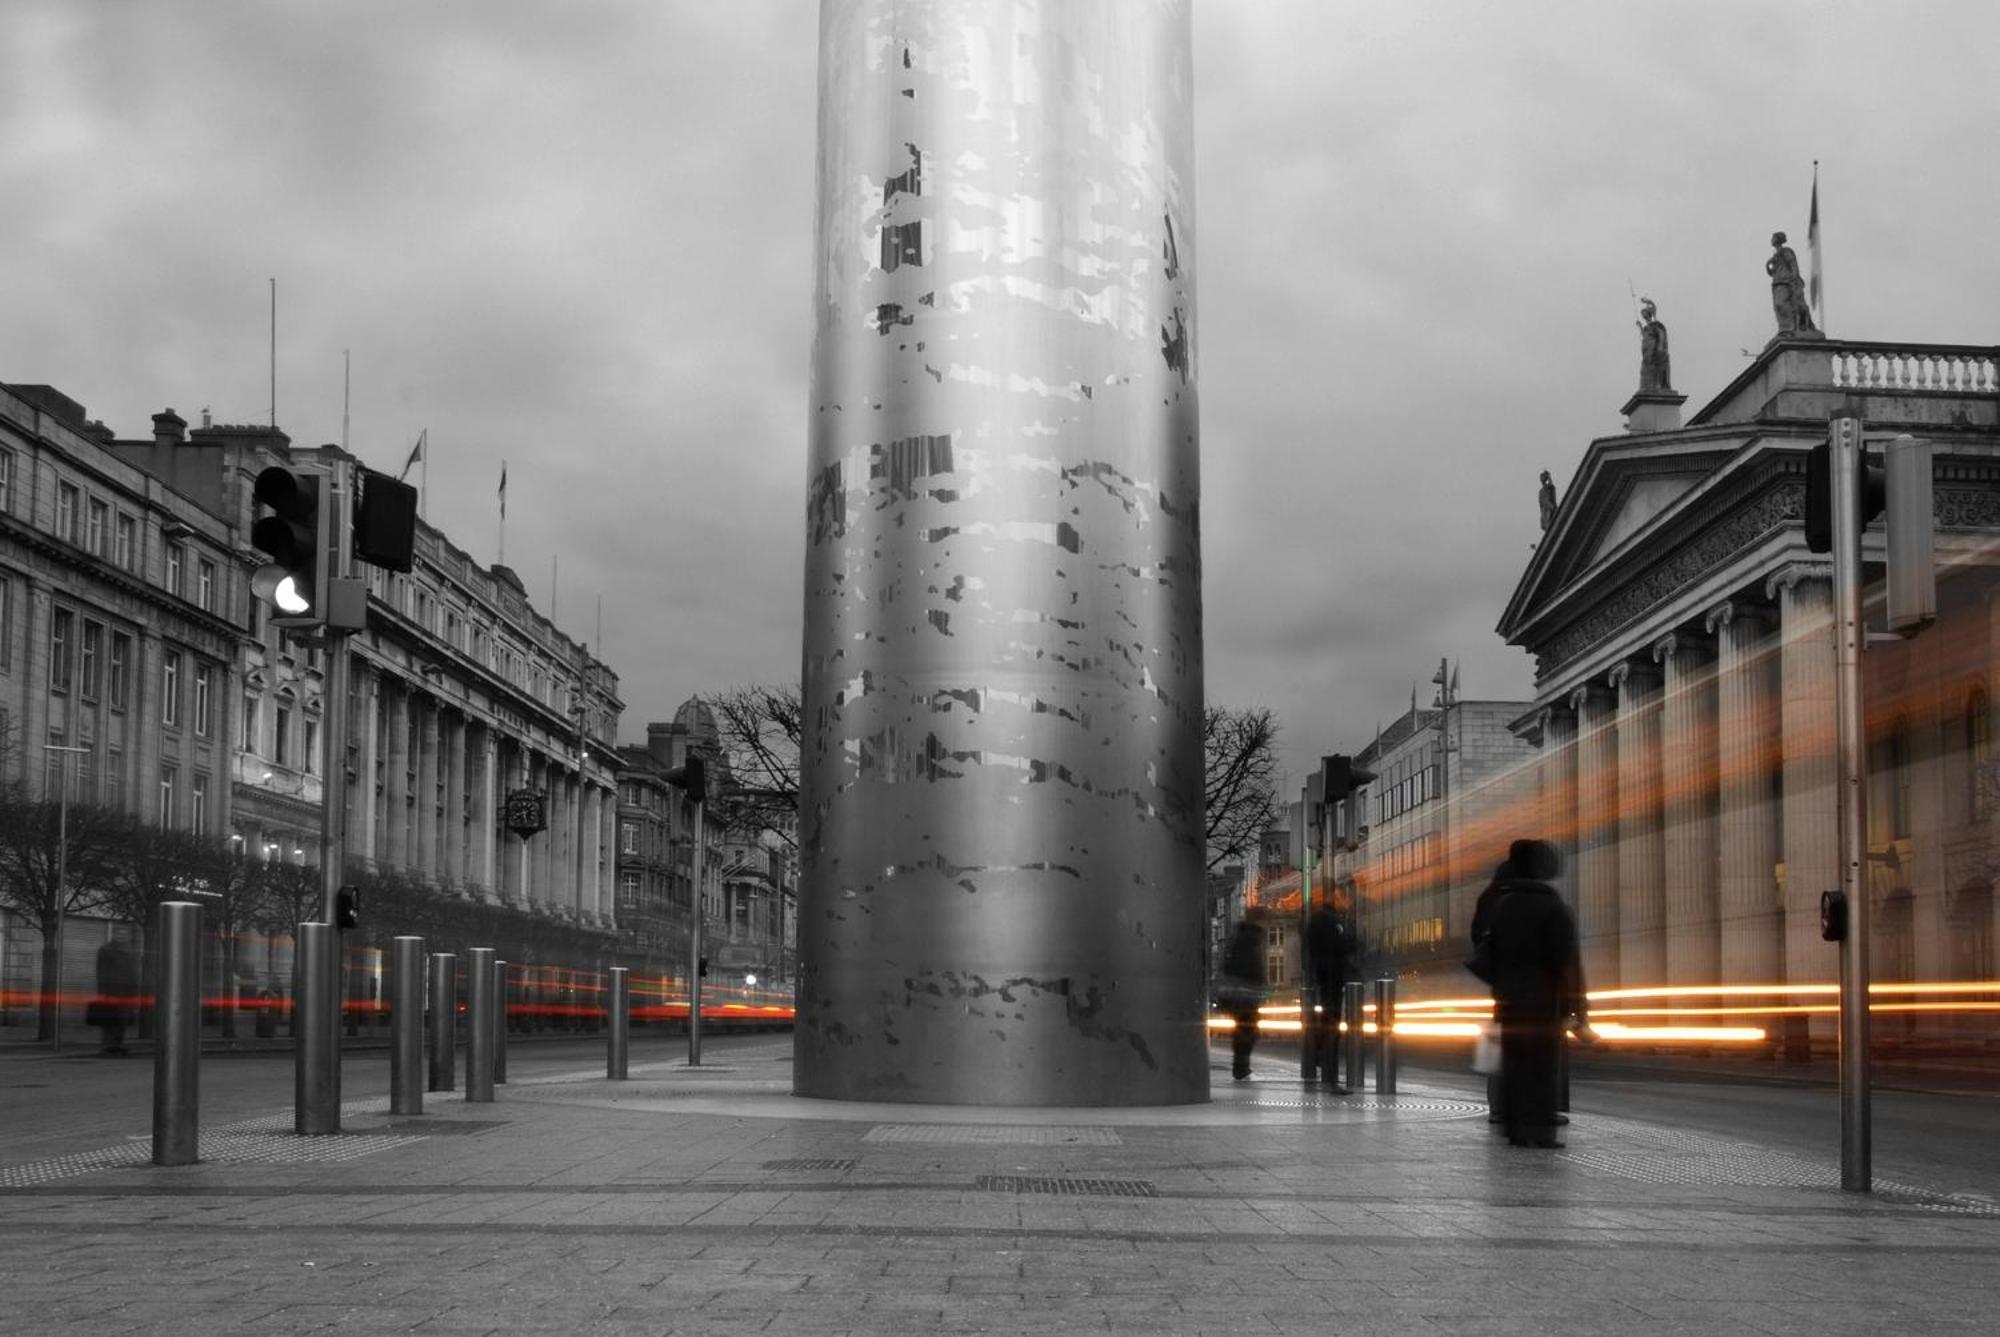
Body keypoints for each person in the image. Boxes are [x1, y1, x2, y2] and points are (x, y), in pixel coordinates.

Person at [1482, 839, 1587, 1148]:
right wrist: (1576, 1005)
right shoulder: (1552, 906)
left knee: (1514, 1064)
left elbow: (1488, 950)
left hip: (1509, 1000)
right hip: (1543, 1003)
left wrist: (1501, 985)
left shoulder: (1504, 904)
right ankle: (1539, 1129)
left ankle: (1515, 1127)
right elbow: (1566, 961)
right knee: (1541, 1067)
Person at [1468, 859, 1514, 1125]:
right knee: (1517, 1044)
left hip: (1503, 983)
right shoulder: (1504, 900)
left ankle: (1498, 1105)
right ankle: (1503, 1105)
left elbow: (1479, 939)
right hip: (1517, 982)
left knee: (1502, 1043)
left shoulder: (1490, 897)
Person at [1303, 896, 1353, 1093]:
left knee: (1325, 1023)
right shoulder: (1334, 922)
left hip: (1322, 977)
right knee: (1332, 1028)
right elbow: (1345, 945)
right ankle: (1331, 1078)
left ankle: (1318, 1059)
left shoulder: (1313, 922)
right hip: (1333, 978)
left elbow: (1310, 949)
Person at [1218, 916, 1266, 1080]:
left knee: (1244, 1030)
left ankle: (1241, 1068)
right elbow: (1253, 969)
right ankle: (1242, 1069)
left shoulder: (1240, 937)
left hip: (1240, 994)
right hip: (1245, 995)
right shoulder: (1251, 940)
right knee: (1247, 1031)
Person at [90, 938, 139, 1056]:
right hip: (115, 992)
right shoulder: (109, 952)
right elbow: (103, 972)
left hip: (120, 993)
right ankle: (110, 1046)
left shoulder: (126, 953)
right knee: (113, 1020)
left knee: (117, 1020)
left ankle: (114, 1045)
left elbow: (132, 974)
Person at [1766, 231, 1819, 338]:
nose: (1771, 239)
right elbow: (1772, 272)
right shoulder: (1775, 255)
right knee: (1778, 306)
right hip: (1777, 282)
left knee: (1782, 303)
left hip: (1786, 281)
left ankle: (1788, 328)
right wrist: (1768, 265)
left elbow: (1793, 264)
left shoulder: (1786, 251)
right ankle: (1784, 327)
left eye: (1773, 237)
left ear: (1778, 239)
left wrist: (1794, 279)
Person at [1636, 298, 1672, 393]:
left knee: (1656, 369)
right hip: (1647, 353)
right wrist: (1640, 326)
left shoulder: (1656, 325)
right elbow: (1644, 336)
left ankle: (1658, 386)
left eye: (1645, 313)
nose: (1643, 316)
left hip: (1654, 351)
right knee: (1646, 370)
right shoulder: (1646, 328)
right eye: (1642, 314)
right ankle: (1647, 387)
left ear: (1649, 314)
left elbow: (1661, 335)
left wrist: (1648, 301)